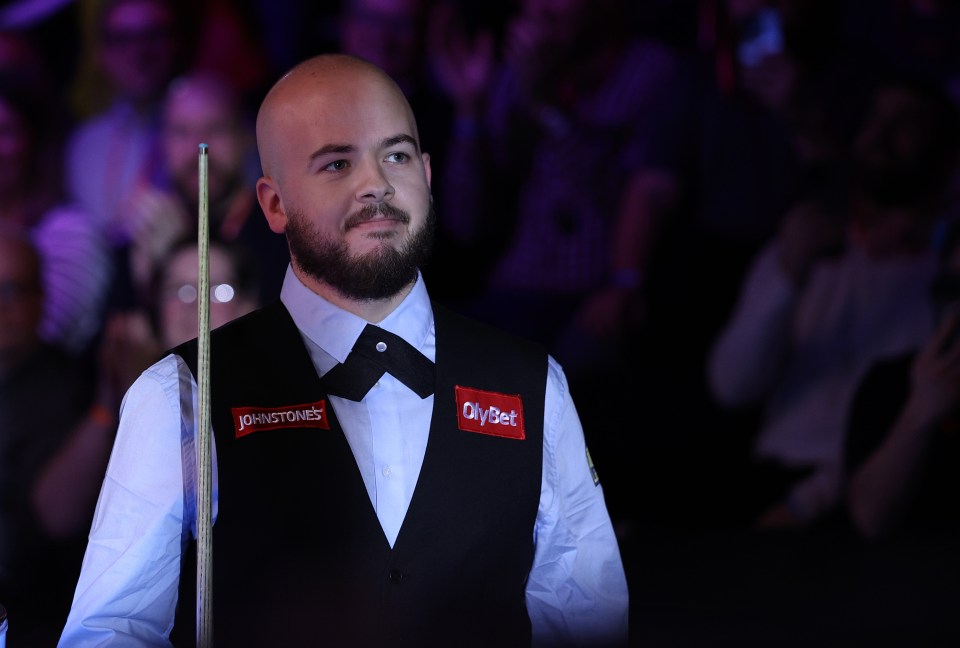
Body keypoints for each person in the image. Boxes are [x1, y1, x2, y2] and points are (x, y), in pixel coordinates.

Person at [59, 54, 628, 647]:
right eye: (336, 163)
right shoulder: (182, 392)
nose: (375, 183)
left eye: (397, 156)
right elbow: (108, 633)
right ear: (274, 205)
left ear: (427, 176)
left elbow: (587, 618)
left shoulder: (532, 382)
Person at [707, 72, 960, 529]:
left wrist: (809, 502)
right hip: (773, 475)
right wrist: (788, 275)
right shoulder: (807, 248)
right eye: (875, 120)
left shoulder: (946, 273)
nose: (881, 135)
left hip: (879, 494)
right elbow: (732, 386)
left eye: (905, 124)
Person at [0, 229, 95, 645]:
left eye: (11, 290)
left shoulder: (72, 386)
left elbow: (50, 523)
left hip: (36, 615)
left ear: (41, 299)